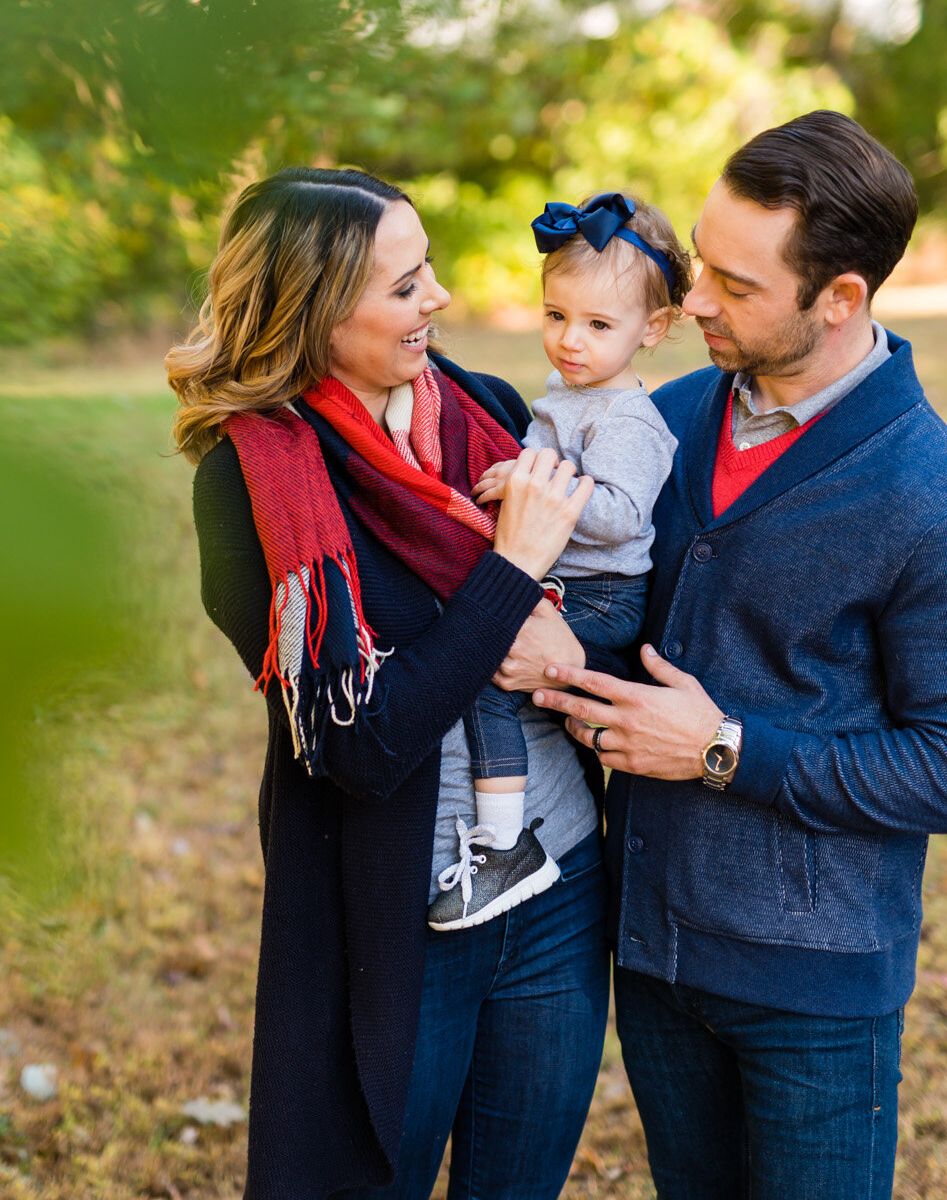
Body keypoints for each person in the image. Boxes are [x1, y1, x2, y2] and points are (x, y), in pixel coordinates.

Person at [507, 111, 947, 1199]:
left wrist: (722, 750)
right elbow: (631, 601)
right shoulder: (675, 412)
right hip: (649, 952)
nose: (691, 299)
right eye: (699, 263)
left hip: (813, 990)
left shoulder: (939, 505)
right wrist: (555, 641)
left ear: (838, 298)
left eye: (733, 286)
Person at [169, 167, 612, 1200]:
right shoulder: (250, 487)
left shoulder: (484, 412)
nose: (439, 301)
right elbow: (360, 743)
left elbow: (583, 615)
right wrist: (508, 572)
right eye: (404, 286)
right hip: (397, 914)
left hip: (556, 885)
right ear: (318, 311)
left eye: (429, 274)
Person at [431, 192, 685, 932]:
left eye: (599, 325)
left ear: (654, 328)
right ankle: (507, 832)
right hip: (564, 577)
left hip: (602, 593)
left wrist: (534, 483)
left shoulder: (627, 418)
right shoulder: (566, 396)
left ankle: (506, 844)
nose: (571, 341)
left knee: (481, 671)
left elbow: (620, 514)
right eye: (556, 316)